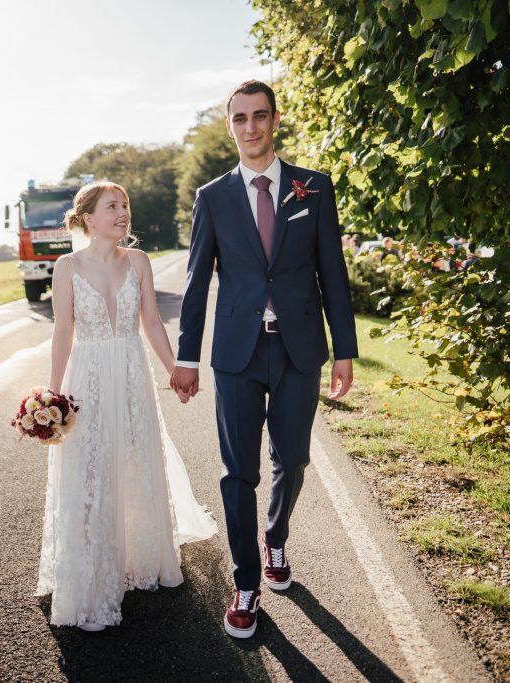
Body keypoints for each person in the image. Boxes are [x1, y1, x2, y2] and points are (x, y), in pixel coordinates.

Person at [171, 80, 358, 639]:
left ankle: (275, 539)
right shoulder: (213, 197)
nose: (250, 127)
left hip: (299, 348)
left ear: (275, 120)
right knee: (238, 472)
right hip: (237, 353)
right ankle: (246, 582)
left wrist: (345, 349)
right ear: (230, 126)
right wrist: (187, 356)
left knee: (293, 459)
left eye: (259, 116)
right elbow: (196, 281)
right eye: (240, 118)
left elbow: (333, 273)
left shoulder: (314, 187)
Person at [36, 180, 217, 632]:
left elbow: (151, 321)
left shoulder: (138, 261)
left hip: (133, 374)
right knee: (92, 466)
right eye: (112, 206)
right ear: (88, 218)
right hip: (89, 378)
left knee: (137, 458)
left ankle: (141, 555)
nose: (122, 213)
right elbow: (63, 331)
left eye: (125, 205)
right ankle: (93, 566)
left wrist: (175, 369)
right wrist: (52, 396)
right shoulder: (66, 266)